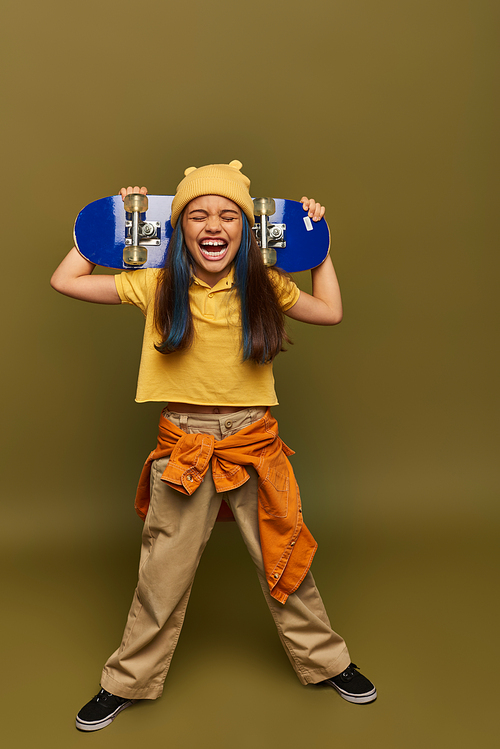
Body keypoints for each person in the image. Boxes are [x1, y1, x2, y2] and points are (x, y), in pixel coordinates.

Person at [51, 160, 376, 732]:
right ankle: (126, 681)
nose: (214, 224)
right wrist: (111, 225)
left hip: (253, 440)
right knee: (162, 573)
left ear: (245, 232)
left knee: (285, 560)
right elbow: (66, 280)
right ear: (179, 230)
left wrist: (316, 246)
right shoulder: (156, 284)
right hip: (186, 445)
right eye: (198, 215)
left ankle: (328, 663)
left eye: (228, 215)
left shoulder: (265, 285)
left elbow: (331, 311)